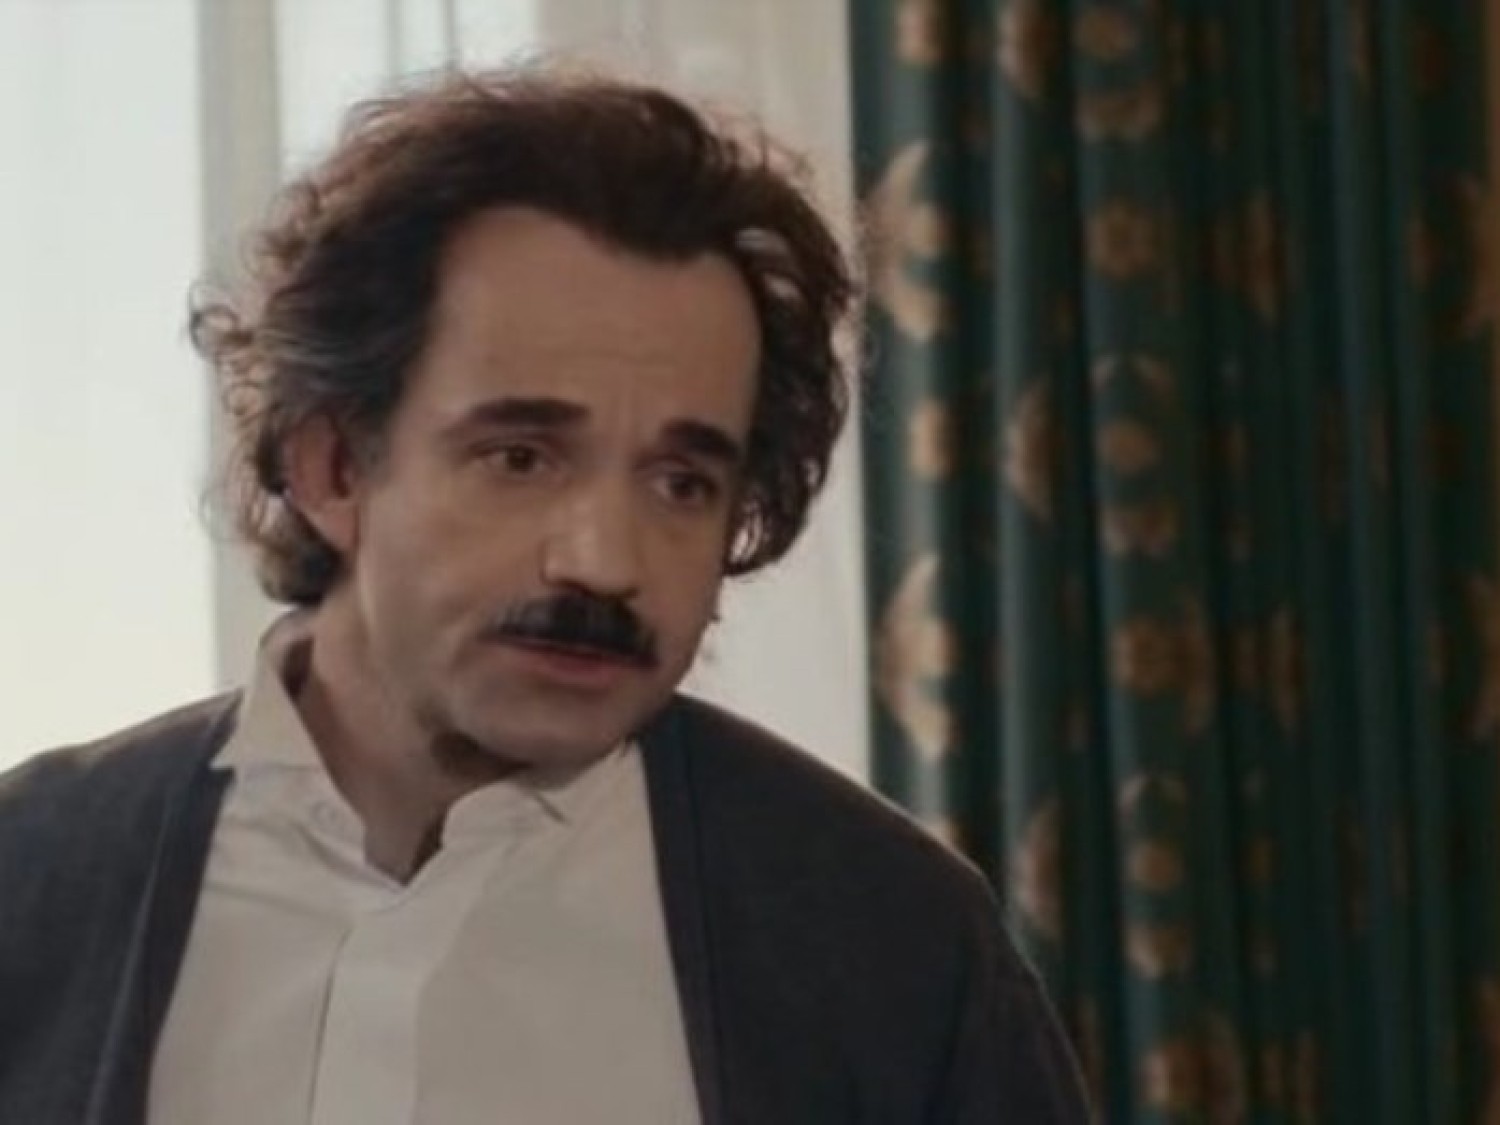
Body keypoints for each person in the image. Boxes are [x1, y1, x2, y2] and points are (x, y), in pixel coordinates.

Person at [0, 67, 1087, 1123]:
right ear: (331, 467)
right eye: (521, 457)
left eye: (681, 482)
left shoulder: (892, 940)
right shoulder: (31, 878)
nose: (605, 561)